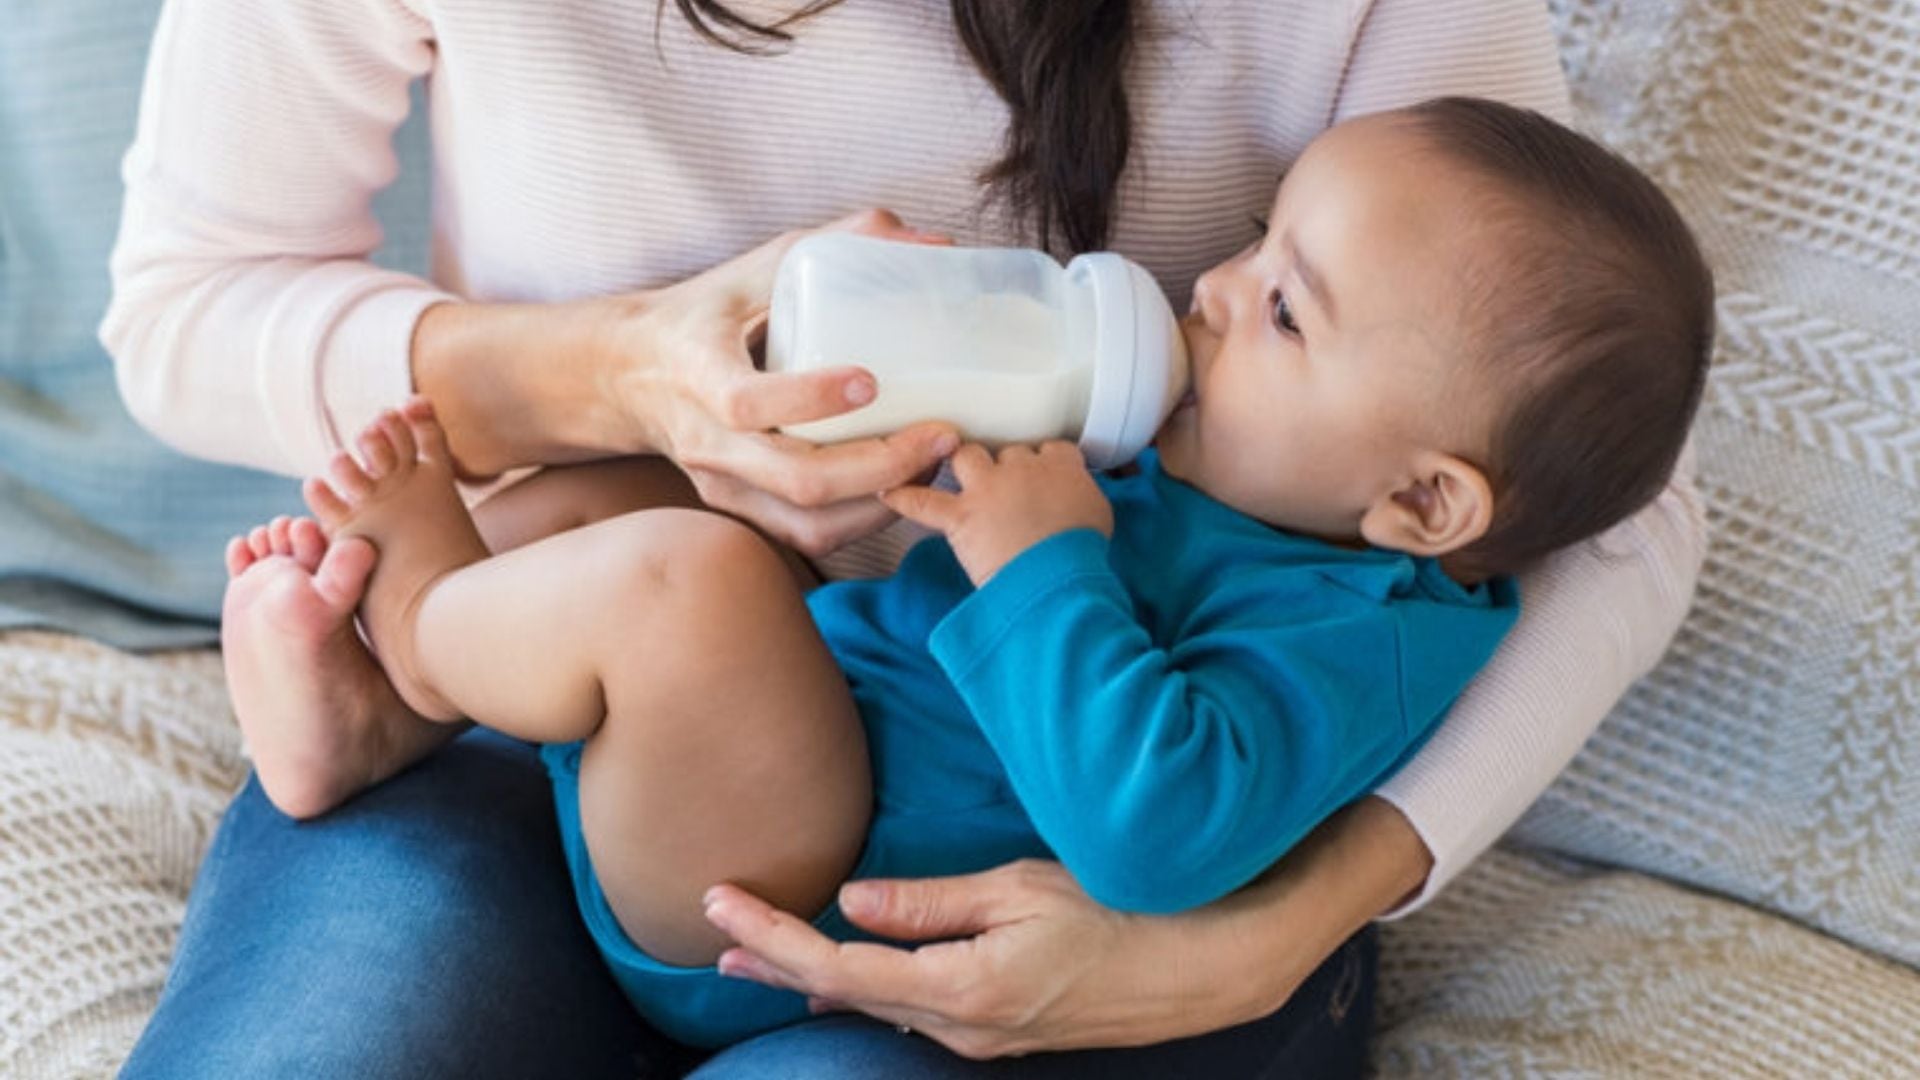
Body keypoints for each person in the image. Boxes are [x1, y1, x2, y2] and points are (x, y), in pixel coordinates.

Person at [103, 1, 1708, 1076]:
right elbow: (184, 299)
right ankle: (404, 685)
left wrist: (1267, 933)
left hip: (1009, 888)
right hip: (623, 716)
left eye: (1278, 289)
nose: (1211, 286)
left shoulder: (1348, 568)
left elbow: (1599, 487)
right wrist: (617, 371)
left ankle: (424, 643)